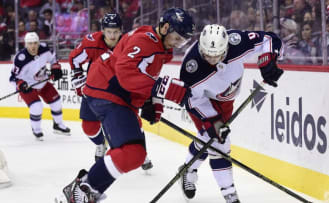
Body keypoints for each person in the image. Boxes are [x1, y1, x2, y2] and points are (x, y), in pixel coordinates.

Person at [56, 7, 195, 203]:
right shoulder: (145, 40)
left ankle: (86, 190)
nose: (179, 44)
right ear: (165, 28)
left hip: (114, 94)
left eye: (184, 40)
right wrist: (165, 89)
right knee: (132, 152)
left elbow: (143, 75)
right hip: (107, 91)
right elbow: (125, 72)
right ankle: (80, 191)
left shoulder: (159, 46)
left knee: (135, 153)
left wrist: (150, 101)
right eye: (177, 37)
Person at [178, 24, 283, 203]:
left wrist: (268, 60)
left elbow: (270, 39)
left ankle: (188, 169)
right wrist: (213, 121)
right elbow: (190, 99)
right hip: (203, 102)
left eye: (217, 55)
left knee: (208, 139)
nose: (211, 59)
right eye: (207, 55)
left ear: (226, 48)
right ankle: (229, 192)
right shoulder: (191, 66)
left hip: (226, 100)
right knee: (219, 141)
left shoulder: (237, 42)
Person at [69, 12, 152, 169]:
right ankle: (101, 143)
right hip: (95, 90)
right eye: (108, 31)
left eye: (115, 32)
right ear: (103, 30)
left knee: (134, 122)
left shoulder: (131, 44)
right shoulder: (92, 42)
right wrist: (78, 78)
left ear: (121, 30)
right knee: (89, 128)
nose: (112, 36)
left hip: (121, 90)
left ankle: (141, 150)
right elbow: (74, 59)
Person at [9, 32, 70, 141]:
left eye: (35, 43)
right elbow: (13, 78)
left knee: (56, 102)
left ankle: (58, 125)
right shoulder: (20, 59)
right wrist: (20, 84)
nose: (33, 46)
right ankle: (36, 130)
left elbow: (53, 59)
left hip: (43, 82)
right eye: (30, 43)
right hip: (28, 86)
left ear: (39, 43)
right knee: (36, 107)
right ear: (26, 44)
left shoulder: (45, 49)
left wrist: (55, 68)